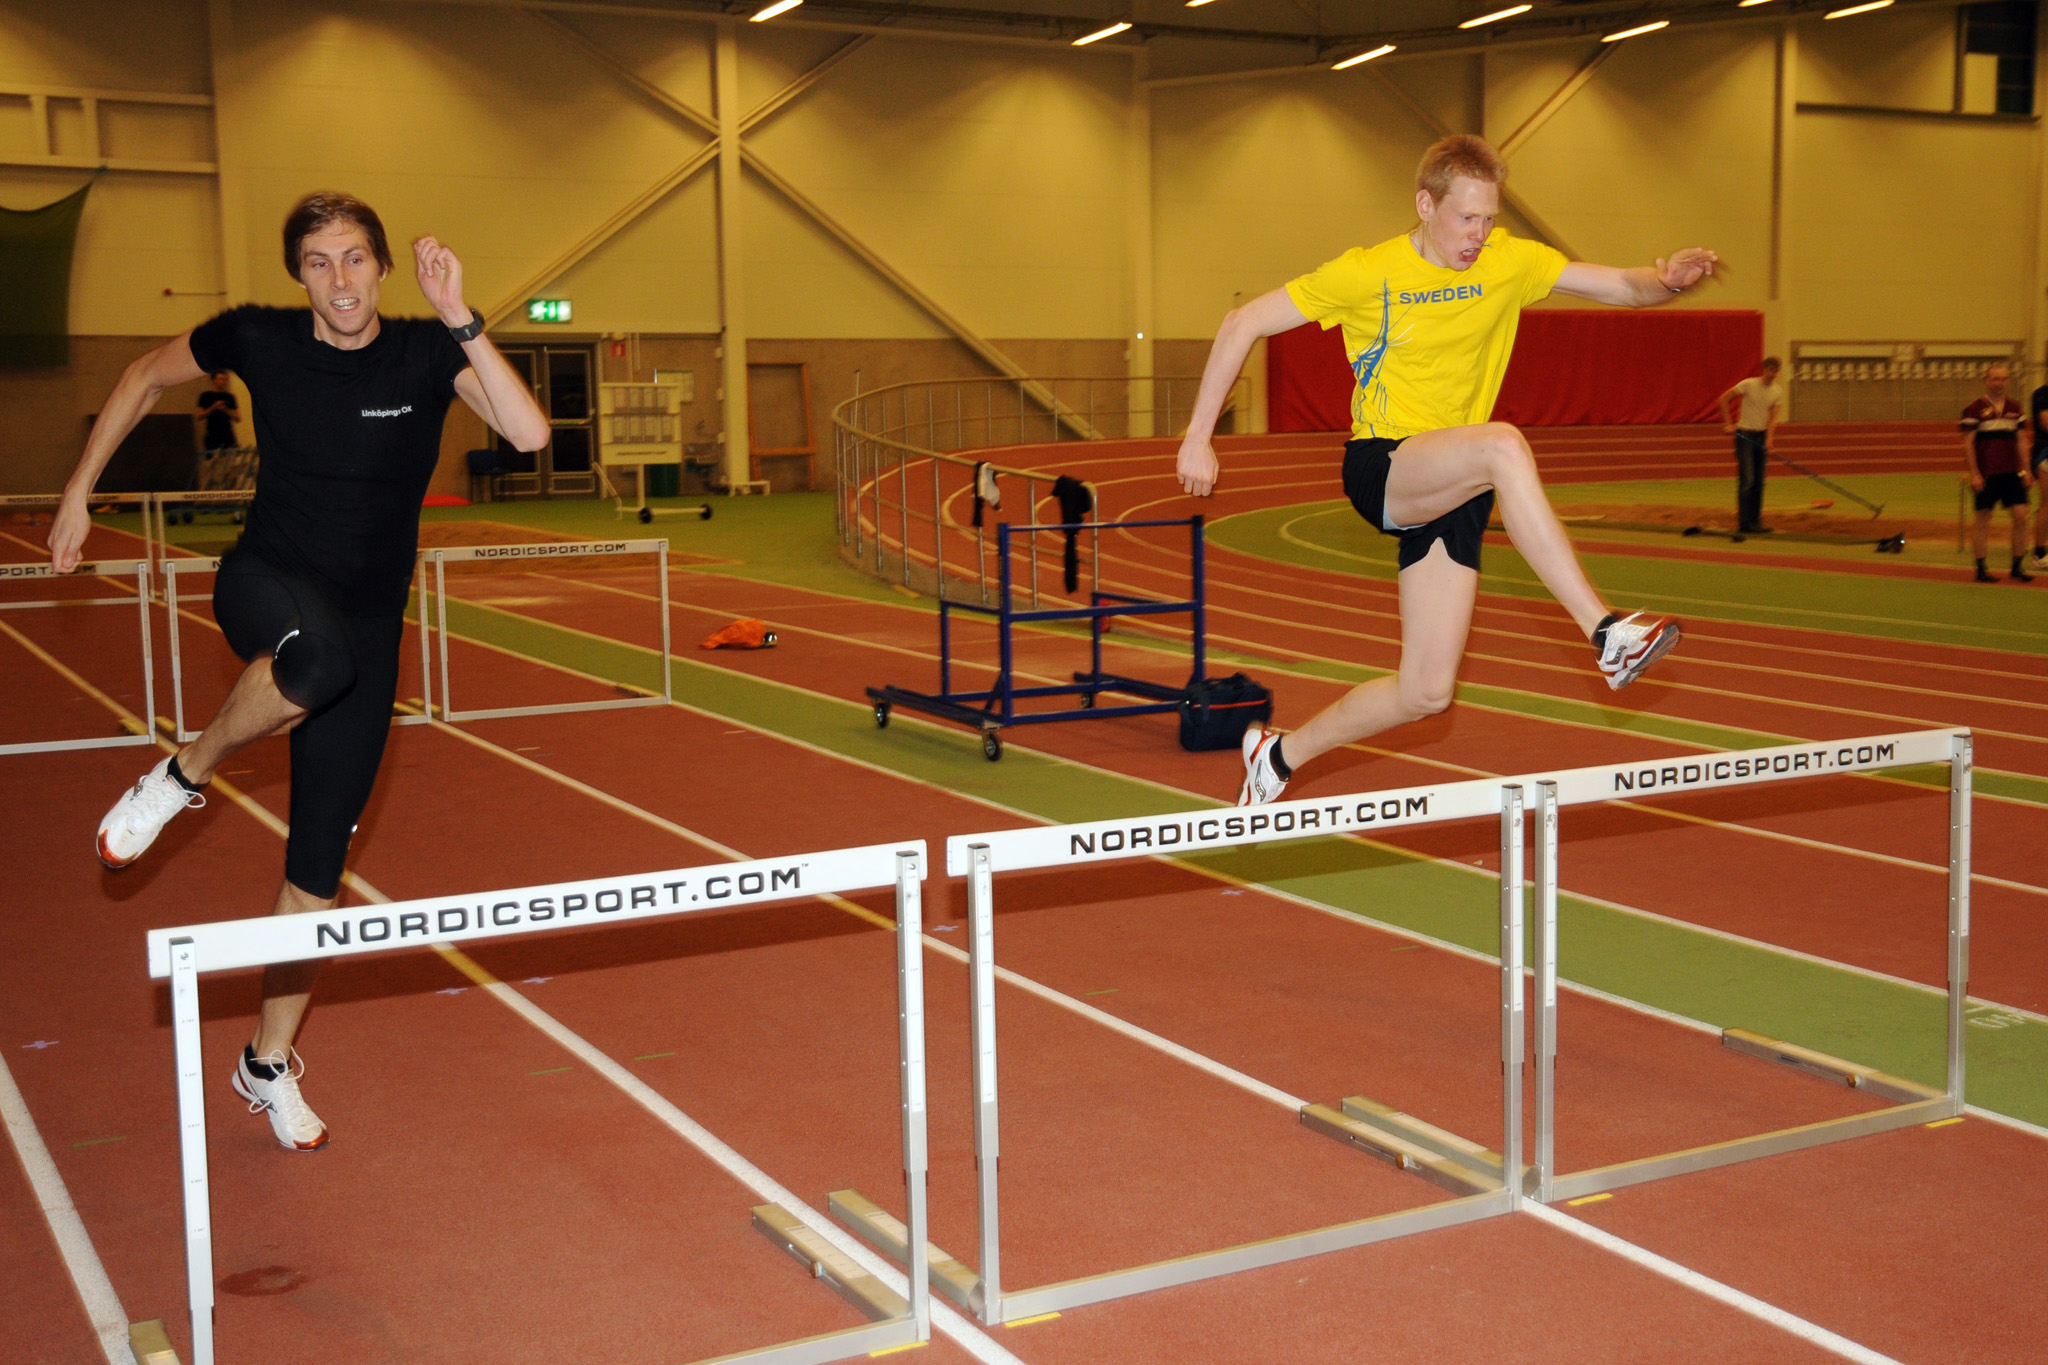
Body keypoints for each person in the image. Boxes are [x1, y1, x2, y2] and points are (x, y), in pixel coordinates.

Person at [48, 192, 548, 1149]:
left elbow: (528, 435)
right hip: (266, 581)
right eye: (318, 262)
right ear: (299, 276)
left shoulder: (427, 351)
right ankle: (180, 776)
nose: (340, 280)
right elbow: (142, 376)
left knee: (317, 870)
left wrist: (459, 316)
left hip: (371, 622)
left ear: (383, 267)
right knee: (313, 660)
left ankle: (266, 1061)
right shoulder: (259, 337)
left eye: (355, 258)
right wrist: (79, 491)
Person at [1172, 135, 1707, 807]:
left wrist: (1668, 282)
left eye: (1489, 219)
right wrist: (1199, 435)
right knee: (1503, 446)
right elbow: (1243, 321)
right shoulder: (1369, 272)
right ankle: (1606, 634)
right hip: (1386, 464)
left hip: (1455, 486)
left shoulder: (1510, 261)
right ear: (1426, 205)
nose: (1479, 235)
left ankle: (1277, 756)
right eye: (1466, 218)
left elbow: (1625, 287)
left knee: (1426, 691)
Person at [1960, 363, 2033, 584]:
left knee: (2022, 517)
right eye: (1995, 379)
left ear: (2008, 381)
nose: (2000, 383)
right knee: (1983, 519)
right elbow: (1968, 444)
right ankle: (1981, 569)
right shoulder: (1974, 410)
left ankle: (2017, 566)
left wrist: (2026, 470)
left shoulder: (2015, 408)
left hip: (2012, 472)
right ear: (1986, 381)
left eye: (2003, 379)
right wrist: (1975, 474)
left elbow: (2021, 440)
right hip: (1987, 473)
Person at [1719, 357, 1784, 534]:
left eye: (1775, 371)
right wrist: (1728, 423)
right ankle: (1744, 523)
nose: (1772, 374)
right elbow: (1724, 399)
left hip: (1761, 436)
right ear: (1764, 369)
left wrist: (1769, 440)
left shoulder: (1777, 392)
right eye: (1770, 370)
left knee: (1759, 481)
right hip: (1745, 435)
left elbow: (1773, 419)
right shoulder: (1748, 384)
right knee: (1747, 479)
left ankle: (1756, 521)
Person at [2028, 366, 2047, 568]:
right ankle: (2039, 553)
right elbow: (2046, 423)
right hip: (2045, 452)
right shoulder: (2042, 395)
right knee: (2047, 502)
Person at [196, 371, 240, 454]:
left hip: (227, 433)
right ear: (214, 380)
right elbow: (199, 416)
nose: (222, 382)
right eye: (220, 379)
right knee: (213, 459)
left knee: (230, 457)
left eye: (225, 379)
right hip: (212, 434)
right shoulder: (205, 396)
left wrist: (225, 410)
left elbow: (237, 418)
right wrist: (213, 407)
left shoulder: (230, 397)